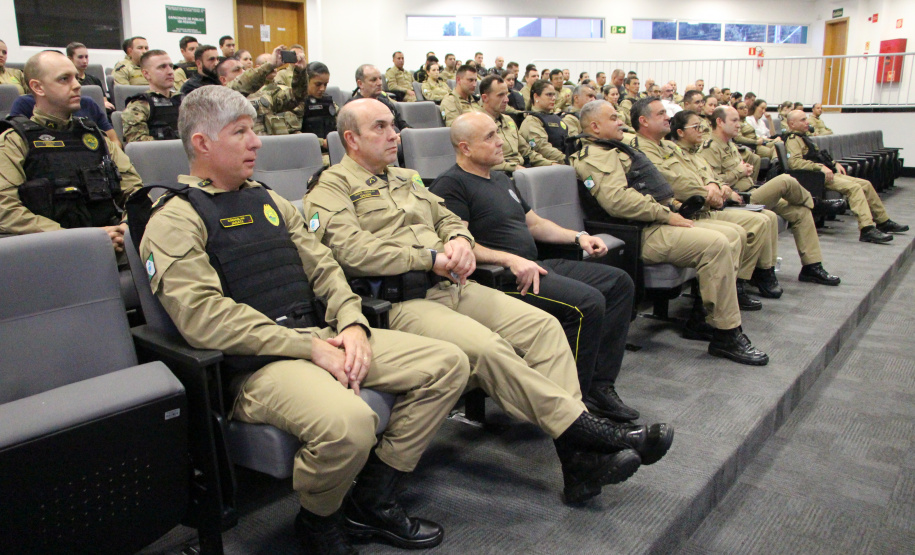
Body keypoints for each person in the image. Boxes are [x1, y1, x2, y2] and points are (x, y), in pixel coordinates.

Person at [140, 85, 469, 554]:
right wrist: (310, 347)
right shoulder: (174, 219)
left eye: (254, 130)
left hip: (323, 336)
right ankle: (319, 520)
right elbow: (204, 319)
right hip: (258, 365)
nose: (257, 142)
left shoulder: (268, 201)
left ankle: (372, 497)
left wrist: (352, 323)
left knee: (449, 364)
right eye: (241, 133)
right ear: (202, 143)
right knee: (349, 423)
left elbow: (325, 269)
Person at [305, 98, 673, 505]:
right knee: (488, 348)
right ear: (351, 139)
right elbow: (352, 252)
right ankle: (587, 438)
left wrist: (460, 241)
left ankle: (578, 461)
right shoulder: (330, 189)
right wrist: (430, 257)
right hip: (397, 303)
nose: (394, 135)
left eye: (393, 125)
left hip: (450, 285)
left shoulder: (406, 178)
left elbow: (449, 220)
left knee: (543, 327)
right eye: (380, 128)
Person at [430, 111, 641, 423]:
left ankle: (599, 385)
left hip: (536, 264)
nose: (501, 141)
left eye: (497, 133)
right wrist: (511, 260)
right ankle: (574, 408)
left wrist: (580, 237)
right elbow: (460, 244)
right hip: (502, 278)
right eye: (489, 136)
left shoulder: (501, 178)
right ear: (465, 147)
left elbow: (536, 225)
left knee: (620, 283)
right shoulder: (452, 185)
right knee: (588, 304)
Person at [569, 100, 769, 365]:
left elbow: (647, 187)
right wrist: (666, 214)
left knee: (732, 234)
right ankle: (726, 334)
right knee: (717, 244)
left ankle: (702, 316)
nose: (621, 122)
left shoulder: (615, 148)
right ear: (594, 126)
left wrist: (673, 207)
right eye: (614, 118)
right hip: (636, 232)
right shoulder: (594, 155)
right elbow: (617, 200)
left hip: (655, 220)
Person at [629, 99, 779, 306]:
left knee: (744, 229)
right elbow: (669, 182)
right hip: (678, 212)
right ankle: (714, 309)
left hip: (702, 205)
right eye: (661, 114)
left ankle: (728, 295)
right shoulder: (638, 149)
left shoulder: (670, 146)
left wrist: (713, 185)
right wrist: (707, 192)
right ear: (643, 121)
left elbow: (699, 171)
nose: (668, 117)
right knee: (730, 235)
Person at [0, 51, 140, 252]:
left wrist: (126, 226)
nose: (76, 85)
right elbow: (6, 210)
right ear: (37, 87)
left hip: (115, 244)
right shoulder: (14, 142)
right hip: (53, 251)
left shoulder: (96, 137)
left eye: (75, 77)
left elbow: (134, 190)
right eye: (64, 79)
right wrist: (83, 239)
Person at [697, 106, 843, 286]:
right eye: (734, 121)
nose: (739, 125)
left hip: (752, 192)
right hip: (739, 199)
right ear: (719, 122)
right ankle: (815, 204)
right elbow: (713, 183)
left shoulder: (730, 144)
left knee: (800, 212)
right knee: (785, 181)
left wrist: (744, 171)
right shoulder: (709, 148)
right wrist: (739, 171)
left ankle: (812, 266)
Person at [784, 110, 907, 243]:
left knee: (865, 184)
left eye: (806, 119)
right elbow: (794, 163)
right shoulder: (793, 140)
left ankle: (883, 221)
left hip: (823, 173)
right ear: (792, 124)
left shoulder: (804, 137)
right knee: (854, 188)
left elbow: (819, 157)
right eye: (802, 120)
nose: (807, 122)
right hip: (814, 177)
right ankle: (867, 228)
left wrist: (834, 163)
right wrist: (819, 167)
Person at [478, 74, 553, 174]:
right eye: (500, 95)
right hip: (500, 174)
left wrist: (550, 164)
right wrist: (514, 168)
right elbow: (480, 161)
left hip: (521, 170)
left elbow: (527, 151)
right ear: (485, 98)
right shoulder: (477, 124)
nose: (506, 100)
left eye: (506, 94)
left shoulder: (508, 120)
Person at [122, 50, 182, 143]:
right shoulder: (139, 106)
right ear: (146, 74)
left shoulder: (184, 100)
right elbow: (136, 142)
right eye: (162, 67)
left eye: (171, 66)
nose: (170, 71)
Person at [248, 53, 308, 136]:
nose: (274, 67)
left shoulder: (272, 92)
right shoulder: (247, 93)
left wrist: (300, 72)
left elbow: (296, 96)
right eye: (270, 64)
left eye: (275, 64)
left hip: (279, 139)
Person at [520, 80, 570, 164]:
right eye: (549, 95)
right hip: (549, 165)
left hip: (564, 160)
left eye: (554, 94)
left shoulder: (556, 117)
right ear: (536, 96)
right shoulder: (531, 120)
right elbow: (541, 147)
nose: (553, 98)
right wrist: (567, 160)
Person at [347, 64, 409, 132]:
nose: (379, 83)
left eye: (380, 79)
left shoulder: (386, 103)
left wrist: (405, 135)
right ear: (360, 84)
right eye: (373, 80)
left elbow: (402, 125)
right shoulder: (352, 107)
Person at [65, 42, 115, 111]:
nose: (85, 61)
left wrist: (105, 103)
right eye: (80, 57)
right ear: (70, 59)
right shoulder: (67, 82)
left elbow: (104, 101)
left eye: (86, 57)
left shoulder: (95, 80)